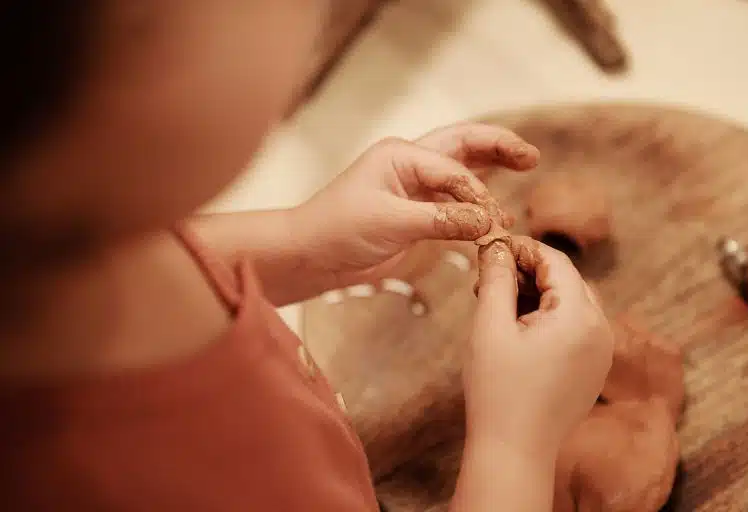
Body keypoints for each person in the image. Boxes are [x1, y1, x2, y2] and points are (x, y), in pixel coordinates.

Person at [0, 1, 613, 510]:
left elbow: (167, 257)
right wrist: (514, 450)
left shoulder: (66, 242)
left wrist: (303, 244)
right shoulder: (125, 481)